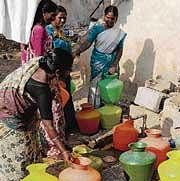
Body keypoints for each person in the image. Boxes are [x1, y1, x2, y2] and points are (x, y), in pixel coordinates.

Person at [0, 48, 73, 181]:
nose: (69, 73)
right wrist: (63, 150)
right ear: (57, 72)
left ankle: (34, 171)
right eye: (67, 71)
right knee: (18, 153)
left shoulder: (42, 61)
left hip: (23, 107)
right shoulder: (41, 89)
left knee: (32, 143)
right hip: (9, 111)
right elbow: (48, 126)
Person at [72, 5, 127, 108]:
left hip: (112, 64)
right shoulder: (97, 29)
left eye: (112, 18)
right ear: (104, 16)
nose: (110, 20)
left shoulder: (119, 33)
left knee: (110, 87)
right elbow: (86, 42)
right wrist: (76, 51)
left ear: (116, 19)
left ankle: (108, 110)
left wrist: (114, 65)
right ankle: (94, 109)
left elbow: (120, 50)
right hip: (98, 63)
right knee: (95, 86)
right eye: (108, 17)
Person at [46, 5, 78, 133]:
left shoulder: (62, 32)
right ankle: (56, 129)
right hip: (55, 71)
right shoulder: (48, 32)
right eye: (60, 18)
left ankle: (69, 124)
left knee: (67, 97)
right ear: (53, 17)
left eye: (65, 18)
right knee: (57, 100)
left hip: (65, 70)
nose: (63, 21)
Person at [21, 0, 57, 64]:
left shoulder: (39, 28)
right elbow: (38, 55)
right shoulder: (39, 29)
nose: (54, 18)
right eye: (52, 15)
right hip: (38, 67)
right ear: (44, 13)